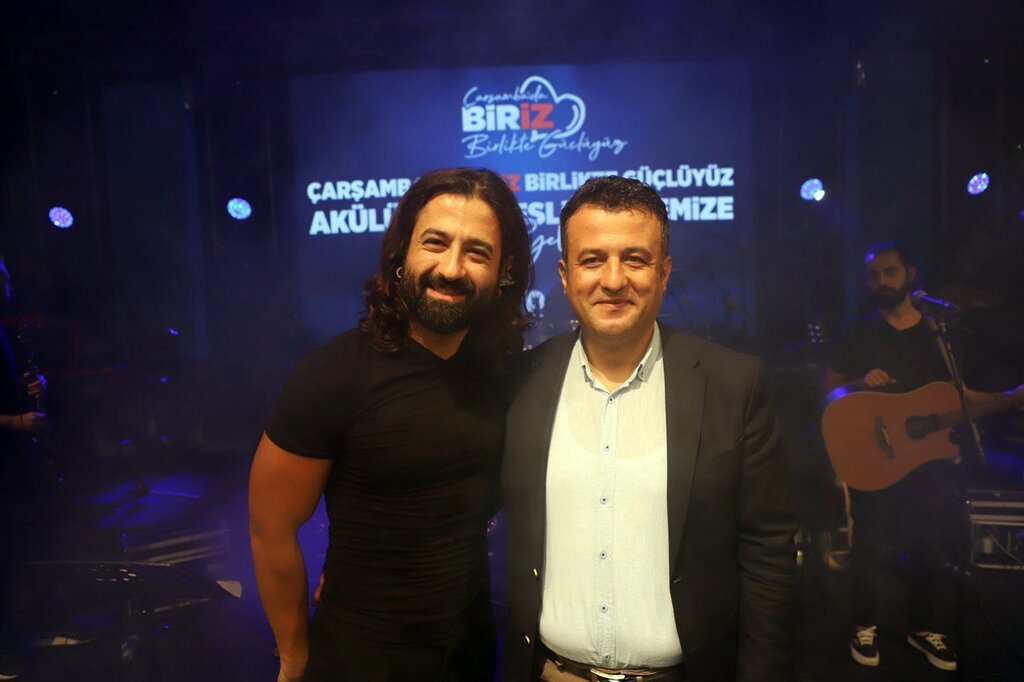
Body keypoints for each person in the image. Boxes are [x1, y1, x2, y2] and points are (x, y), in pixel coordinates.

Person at [502, 177, 798, 682]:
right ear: (565, 274)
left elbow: (769, 551)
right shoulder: (521, 382)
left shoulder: (732, 383)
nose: (613, 279)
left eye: (635, 259)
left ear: (664, 272)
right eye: (592, 260)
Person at [249, 168, 532, 682]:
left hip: (470, 656)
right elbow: (270, 527)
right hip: (357, 661)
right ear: (402, 252)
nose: (451, 268)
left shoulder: (507, 375)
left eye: (476, 252)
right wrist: (292, 656)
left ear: (504, 271)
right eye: (435, 243)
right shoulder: (334, 373)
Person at [824, 240, 1023, 672]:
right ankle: (864, 625)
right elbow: (829, 391)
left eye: (890, 272)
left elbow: (959, 397)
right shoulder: (858, 332)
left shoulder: (939, 334)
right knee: (870, 545)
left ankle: (927, 628)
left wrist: (1010, 398)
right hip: (875, 459)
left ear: (910, 274)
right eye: (873, 275)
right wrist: (858, 383)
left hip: (928, 461)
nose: (881, 281)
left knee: (932, 543)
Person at [0, 258, 47, 681]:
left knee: (19, 548)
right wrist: (16, 422)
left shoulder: (5, 329)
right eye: (1, 279)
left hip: (12, 462)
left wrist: (36, 385)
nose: (8, 286)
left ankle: (27, 635)